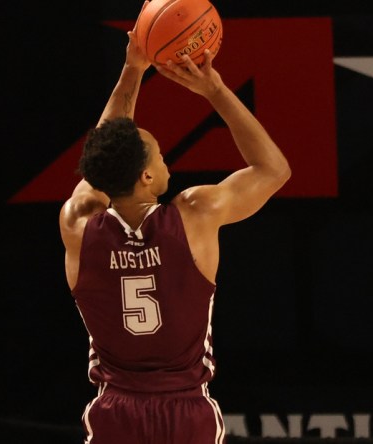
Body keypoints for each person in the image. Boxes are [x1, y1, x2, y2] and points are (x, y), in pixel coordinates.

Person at [57, 18, 290, 444]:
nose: (167, 161)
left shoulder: (78, 223)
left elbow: (100, 161)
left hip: (115, 410)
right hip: (186, 410)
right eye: (161, 155)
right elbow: (273, 170)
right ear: (147, 176)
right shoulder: (194, 214)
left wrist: (132, 69)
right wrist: (215, 90)